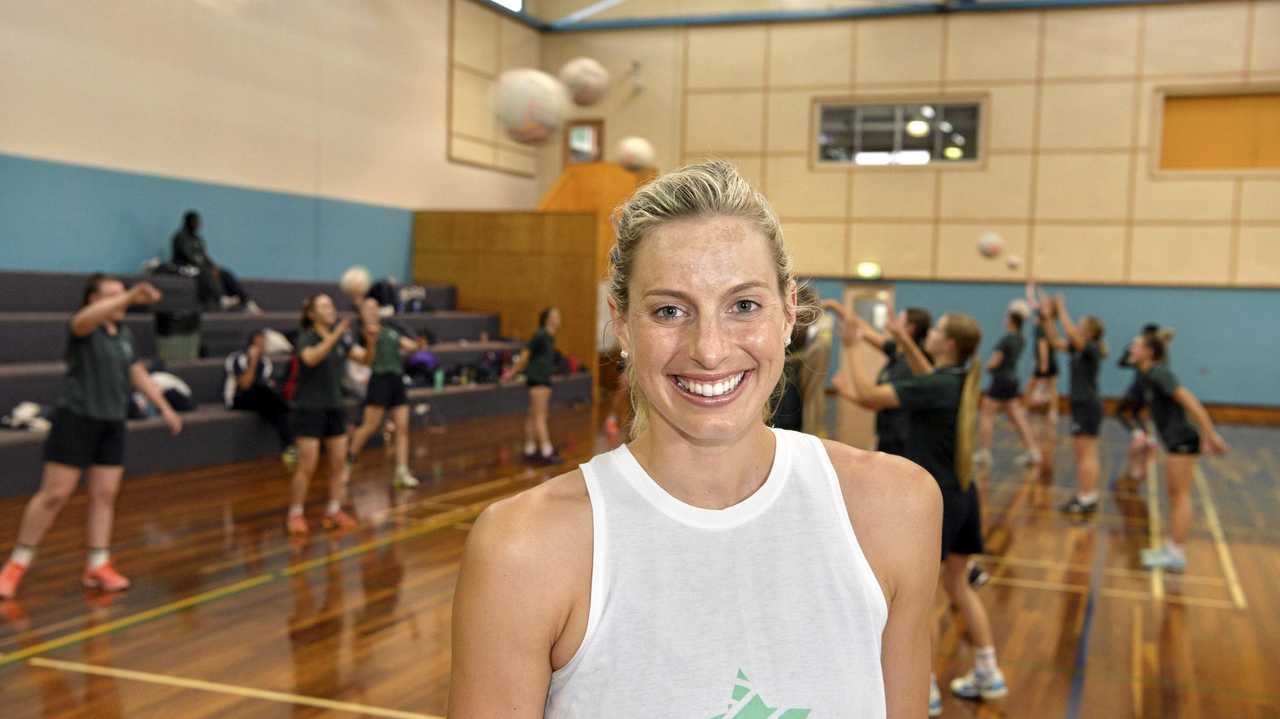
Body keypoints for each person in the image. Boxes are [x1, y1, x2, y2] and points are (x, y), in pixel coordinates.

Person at [450, 161, 940, 717]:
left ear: (789, 313)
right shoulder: (522, 550)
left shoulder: (897, 507)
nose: (709, 349)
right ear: (623, 322)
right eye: (669, 310)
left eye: (744, 306)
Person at [839, 311, 1008, 714]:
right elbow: (926, 370)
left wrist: (848, 350)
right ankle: (988, 670)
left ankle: (926, 686)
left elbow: (867, 396)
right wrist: (903, 338)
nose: (929, 332)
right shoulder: (956, 377)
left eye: (935, 331)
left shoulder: (937, 386)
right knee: (959, 585)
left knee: (919, 600)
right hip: (965, 495)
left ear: (947, 343)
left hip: (941, 500)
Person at [0, 275, 184, 600]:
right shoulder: (83, 327)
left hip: (111, 423)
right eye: (111, 296)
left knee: (104, 495)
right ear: (93, 300)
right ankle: (17, 563)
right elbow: (83, 321)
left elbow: (135, 371)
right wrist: (130, 296)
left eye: (122, 295)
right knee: (54, 495)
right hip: (76, 420)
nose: (121, 301)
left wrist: (164, 406)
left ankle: (97, 563)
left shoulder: (123, 333)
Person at [1129, 332, 1229, 571]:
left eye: (1136, 345)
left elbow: (1189, 400)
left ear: (1149, 352)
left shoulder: (1159, 373)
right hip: (1174, 440)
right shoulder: (1148, 374)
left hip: (1182, 439)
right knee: (1174, 494)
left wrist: (1210, 433)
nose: (1131, 348)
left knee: (1180, 495)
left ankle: (1176, 552)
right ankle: (1172, 547)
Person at [286, 294, 364, 536]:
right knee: (307, 465)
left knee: (339, 463)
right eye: (323, 305)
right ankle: (296, 513)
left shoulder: (341, 339)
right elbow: (310, 358)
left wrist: (372, 341)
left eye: (331, 304)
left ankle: (334, 510)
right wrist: (335, 335)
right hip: (309, 408)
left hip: (335, 407)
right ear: (312, 314)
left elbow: (365, 358)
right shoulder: (307, 337)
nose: (330, 308)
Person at [828, 300, 933, 457]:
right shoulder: (897, 351)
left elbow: (871, 398)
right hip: (888, 437)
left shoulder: (908, 366)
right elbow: (862, 328)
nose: (892, 323)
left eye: (898, 319)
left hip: (901, 442)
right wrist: (835, 306)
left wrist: (851, 347)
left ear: (910, 329)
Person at [347, 297, 427, 489]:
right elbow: (364, 360)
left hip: (396, 381)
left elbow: (409, 346)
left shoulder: (390, 331)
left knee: (402, 428)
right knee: (370, 426)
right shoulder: (359, 334)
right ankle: (348, 461)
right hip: (379, 380)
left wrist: (419, 345)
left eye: (375, 307)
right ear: (362, 312)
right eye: (368, 308)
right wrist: (370, 341)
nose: (373, 311)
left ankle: (401, 471)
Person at [1043, 296, 1107, 514]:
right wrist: (1047, 318)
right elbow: (1054, 341)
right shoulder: (1077, 348)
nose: (1076, 327)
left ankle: (1087, 497)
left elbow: (1071, 335)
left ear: (1090, 332)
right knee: (1083, 454)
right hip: (1081, 406)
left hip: (1088, 406)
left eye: (1081, 325)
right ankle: (1087, 494)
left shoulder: (1091, 348)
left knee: (1086, 454)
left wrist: (1061, 309)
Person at [973, 307, 1040, 468]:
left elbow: (994, 362)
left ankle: (984, 452)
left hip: (1000, 380)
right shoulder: (1020, 338)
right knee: (1017, 416)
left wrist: (986, 366)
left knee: (986, 414)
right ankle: (1033, 451)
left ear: (1011, 321)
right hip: (1012, 380)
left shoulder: (1006, 339)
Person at [224, 330, 297, 470]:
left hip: (259, 399)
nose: (261, 345)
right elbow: (245, 385)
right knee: (271, 398)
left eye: (263, 342)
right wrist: (253, 361)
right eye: (258, 342)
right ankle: (290, 441)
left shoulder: (266, 362)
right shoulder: (236, 358)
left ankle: (289, 448)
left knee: (275, 408)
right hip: (237, 399)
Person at [502, 307, 563, 464]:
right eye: (555, 315)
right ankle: (546, 450)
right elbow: (524, 355)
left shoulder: (549, 337)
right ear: (547, 319)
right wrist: (512, 373)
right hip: (539, 379)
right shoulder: (540, 334)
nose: (559, 318)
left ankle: (529, 449)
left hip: (542, 379)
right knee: (540, 416)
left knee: (533, 415)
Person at [171, 210, 261, 314]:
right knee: (205, 272)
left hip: (202, 267)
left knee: (225, 273)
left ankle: (246, 301)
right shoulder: (179, 237)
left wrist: (214, 267)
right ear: (187, 222)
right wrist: (206, 267)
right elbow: (187, 256)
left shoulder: (198, 239)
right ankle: (221, 298)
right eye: (195, 221)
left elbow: (205, 256)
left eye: (199, 222)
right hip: (184, 267)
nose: (198, 224)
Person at [1115, 324, 1169, 482]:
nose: (1133, 347)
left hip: (1140, 389)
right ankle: (1147, 438)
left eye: (1137, 345)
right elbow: (1123, 362)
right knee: (1136, 414)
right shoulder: (1161, 355)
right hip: (1145, 390)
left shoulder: (1155, 365)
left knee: (1121, 412)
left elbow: (1123, 362)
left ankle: (1139, 435)